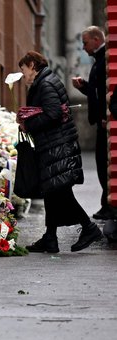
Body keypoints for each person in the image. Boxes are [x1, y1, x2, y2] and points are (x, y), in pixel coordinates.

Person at [17, 51, 102, 253]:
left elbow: (53, 113)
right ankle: (50, 238)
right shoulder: (46, 81)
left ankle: (89, 228)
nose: (23, 75)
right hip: (54, 146)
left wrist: (28, 125)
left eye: (23, 70)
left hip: (57, 147)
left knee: (61, 193)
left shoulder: (45, 84)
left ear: (32, 65)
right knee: (52, 193)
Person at [71, 26, 111, 220]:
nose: (83, 47)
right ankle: (107, 204)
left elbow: (106, 94)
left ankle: (109, 205)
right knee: (102, 165)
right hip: (101, 123)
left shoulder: (105, 60)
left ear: (96, 39)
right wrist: (84, 87)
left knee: (105, 165)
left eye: (85, 42)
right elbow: (97, 93)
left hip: (106, 124)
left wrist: (106, 116)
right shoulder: (100, 59)